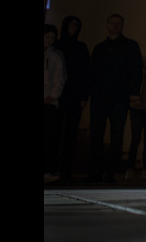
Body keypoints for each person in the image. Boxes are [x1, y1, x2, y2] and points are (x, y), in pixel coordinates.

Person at [86, 13, 143, 183]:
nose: (115, 26)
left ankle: (109, 173)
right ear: (108, 25)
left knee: (116, 135)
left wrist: (134, 92)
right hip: (101, 96)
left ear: (122, 25)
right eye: (112, 23)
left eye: (118, 23)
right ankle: (97, 172)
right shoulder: (100, 48)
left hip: (118, 96)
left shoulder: (130, 46)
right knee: (97, 134)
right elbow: (92, 73)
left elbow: (136, 70)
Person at [54, 15, 91, 182]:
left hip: (74, 97)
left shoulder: (81, 47)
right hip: (56, 96)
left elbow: (86, 73)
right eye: (72, 24)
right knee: (53, 134)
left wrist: (84, 96)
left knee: (70, 135)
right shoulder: (56, 46)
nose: (74, 27)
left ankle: (65, 171)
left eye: (77, 25)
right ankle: (52, 169)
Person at [124, 55, 146, 180]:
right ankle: (130, 167)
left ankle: (145, 168)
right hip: (137, 109)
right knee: (135, 139)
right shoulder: (137, 74)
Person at [44, 24, 67, 183]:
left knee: (48, 138)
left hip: (49, 102)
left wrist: (52, 96)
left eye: (53, 38)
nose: (50, 40)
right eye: (47, 37)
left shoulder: (56, 56)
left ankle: (47, 170)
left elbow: (60, 77)